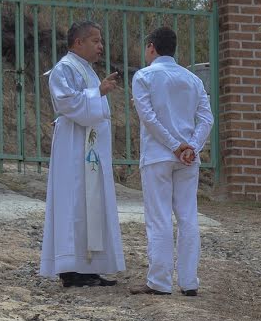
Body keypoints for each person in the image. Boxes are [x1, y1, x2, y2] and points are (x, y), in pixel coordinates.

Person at [40, 21, 124, 288]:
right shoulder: (64, 68)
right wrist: (98, 91)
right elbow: (66, 102)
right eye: (95, 41)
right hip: (73, 146)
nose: (101, 46)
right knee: (73, 199)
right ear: (78, 42)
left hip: (89, 146)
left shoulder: (86, 70)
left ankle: (89, 266)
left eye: (100, 41)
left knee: (92, 201)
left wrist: (97, 92)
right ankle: (70, 267)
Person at [130, 27, 213, 296]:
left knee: (159, 217)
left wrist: (175, 146)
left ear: (151, 47)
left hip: (158, 155)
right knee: (188, 216)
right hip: (188, 158)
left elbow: (149, 118)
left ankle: (159, 281)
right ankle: (189, 282)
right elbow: (206, 119)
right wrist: (192, 147)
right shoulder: (192, 80)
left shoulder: (143, 76)